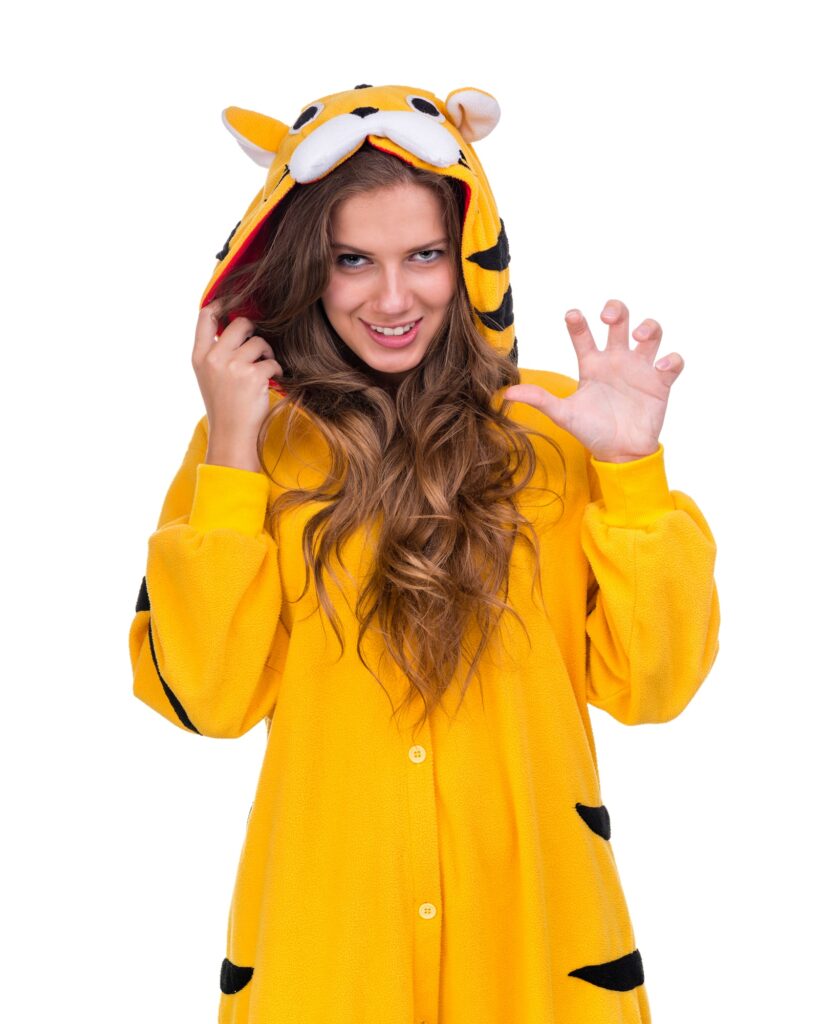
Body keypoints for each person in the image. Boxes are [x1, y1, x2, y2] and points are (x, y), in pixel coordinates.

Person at [128, 84, 720, 1024]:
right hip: (332, 958)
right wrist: (232, 449)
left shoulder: (557, 426)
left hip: (532, 953)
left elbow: (653, 688)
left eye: (425, 255)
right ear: (302, 267)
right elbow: (207, 700)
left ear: (470, 252)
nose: (394, 298)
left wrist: (629, 474)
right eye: (352, 260)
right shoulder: (247, 449)